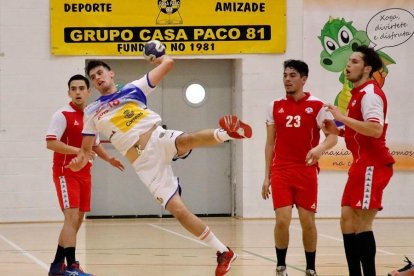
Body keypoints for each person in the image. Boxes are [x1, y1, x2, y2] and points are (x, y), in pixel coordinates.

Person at [66, 53, 252, 275]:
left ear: (111, 74)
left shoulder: (134, 88)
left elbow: (169, 64)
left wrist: (160, 58)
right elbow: (86, 150)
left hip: (157, 137)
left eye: (100, 73)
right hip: (144, 164)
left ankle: (227, 133)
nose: (97, 77)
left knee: (186, 140)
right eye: (93, 76)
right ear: (93, 85)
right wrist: (79, 161)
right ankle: (224, 251)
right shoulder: (92, 111)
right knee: (178, 210)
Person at [261, 59, 338, 276]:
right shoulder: (274, 106)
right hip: (281, 170)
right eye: (285, 75)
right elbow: (269, 144)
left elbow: (333, 137)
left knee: (307, 222)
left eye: (292, 75)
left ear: (304, 79)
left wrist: (319, 149)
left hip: (306, 171)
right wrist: (266, 177)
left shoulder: (317, 106)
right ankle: (281, 266)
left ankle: (311, 267)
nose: (287, 79)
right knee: (282, 220)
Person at [324, 45, 395, 276]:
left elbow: (375, 130)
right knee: (346, 220)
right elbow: (359, 132)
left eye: (354, 61)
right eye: (348, 61)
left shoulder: (370, 93)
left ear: (366, 68)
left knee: (363, 223)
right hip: (360, 163)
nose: (348, 65)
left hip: (373, 164)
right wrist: (337, 130)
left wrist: (341, 118)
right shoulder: (357, 94)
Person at [46, 74, 125, 276]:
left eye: (82, 88)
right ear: (69, 92)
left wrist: (109, 159)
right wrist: (78, 151)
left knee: (78, 220)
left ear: (88, 92)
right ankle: (71, 266)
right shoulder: (62, 114)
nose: (78, 92)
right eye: (74, 89)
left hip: (85, 173)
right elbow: (51, 142)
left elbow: (95, 145)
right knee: (71, 218)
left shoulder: (91, 116)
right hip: (66, 172)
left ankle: (57, 266)